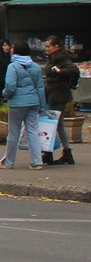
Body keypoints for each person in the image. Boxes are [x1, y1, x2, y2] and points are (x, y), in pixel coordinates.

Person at [0, 41, 47, 171]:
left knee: (14, 133)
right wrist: (42, 105)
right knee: (33, 131)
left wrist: (4, 94)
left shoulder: (13, 67)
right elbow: (40, 87)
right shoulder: (36, 67)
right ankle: (36, 162)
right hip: (33, 102)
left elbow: (10, 86)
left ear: (15, 52)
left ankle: (9, 162)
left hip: (17, 104)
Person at [40, 35, 78, 166]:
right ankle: (64, 153)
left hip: (58, 95)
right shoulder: (53, 57)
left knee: (51, 124)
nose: (46, 49)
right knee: (57, 124)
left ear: (57, 47)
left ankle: (50, 153)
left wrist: (60, 71)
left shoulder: (61, 58)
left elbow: (74, 70)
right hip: (54, 95)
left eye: (49, 46)